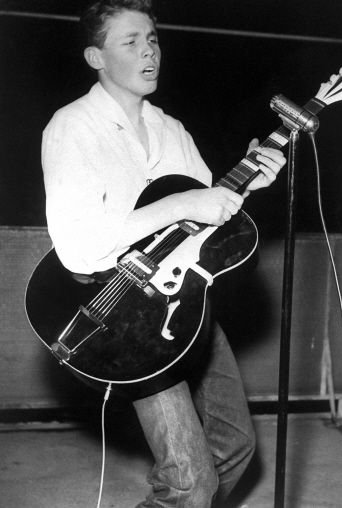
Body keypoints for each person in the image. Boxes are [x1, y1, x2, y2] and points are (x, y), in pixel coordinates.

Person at [41, 0, 286, 506]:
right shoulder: (72, 126)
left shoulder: (171, 129)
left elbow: (202, 224)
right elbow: (78, 247)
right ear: (96, 58)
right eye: (130, 42)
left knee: (235, 447)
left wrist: (246, 186)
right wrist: (178, 204)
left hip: (183, 302)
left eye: (152, 39)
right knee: (189, 480)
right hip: (122, 314)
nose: (149, 51)